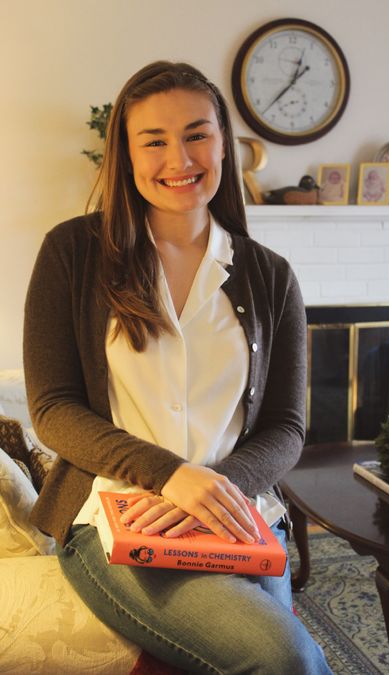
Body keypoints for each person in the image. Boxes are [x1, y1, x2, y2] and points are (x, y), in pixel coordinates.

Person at [23, 61, 332, 674]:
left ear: (225, 144)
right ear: (125, 153)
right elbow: (53, 409)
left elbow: (286, 426)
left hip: (234, 516)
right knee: (287, 657)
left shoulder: (270, 276)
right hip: (113, 520)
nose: (178, 158)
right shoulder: (72, 252)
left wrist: (220, 485)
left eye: (196, 134)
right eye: (154, 140)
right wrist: (171, 476)